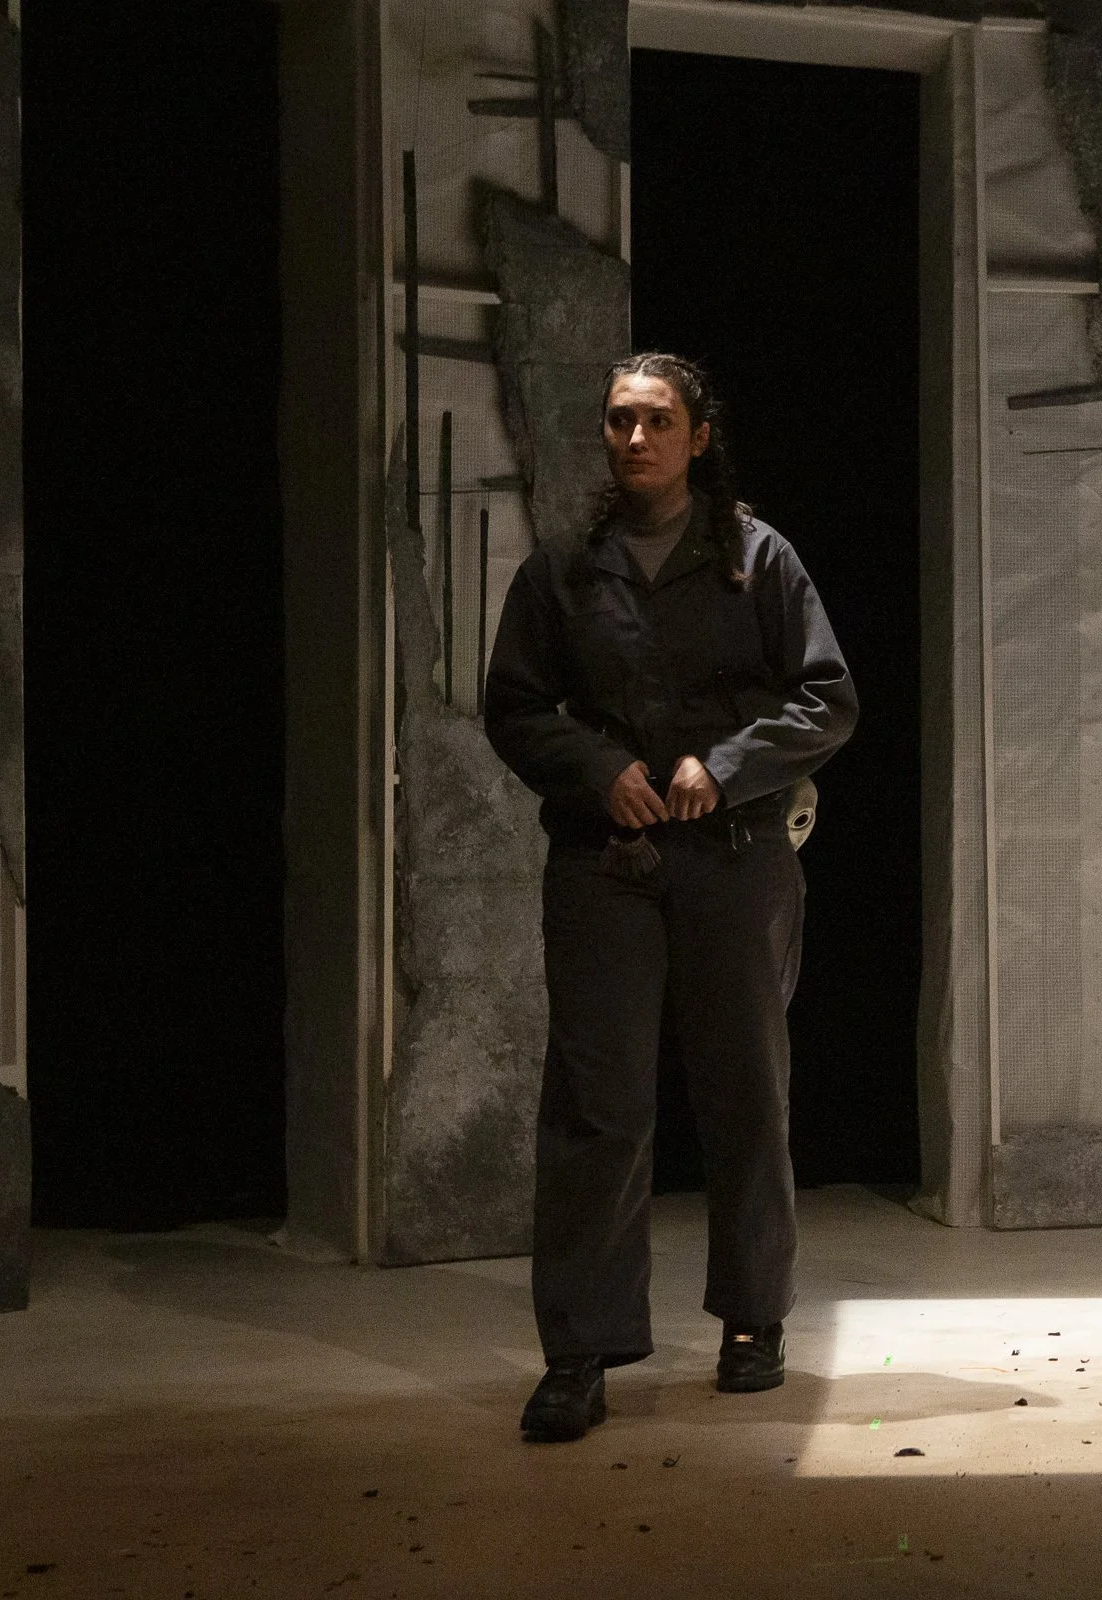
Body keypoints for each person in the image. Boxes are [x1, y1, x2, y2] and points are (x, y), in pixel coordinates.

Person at [485, 351, 857, 1442]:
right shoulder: (566, 568)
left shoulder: (756, 555)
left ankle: (754, 1317)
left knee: (745, 1087)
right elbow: (515, 704)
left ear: (699, 435)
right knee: (598, 1103)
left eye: (656, 421)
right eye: (618, 421)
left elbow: (827, 697)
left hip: (736, 858)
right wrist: (598, 770)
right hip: (608, 863)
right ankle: (581, 1350)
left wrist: (728, 763)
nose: (634, 438)